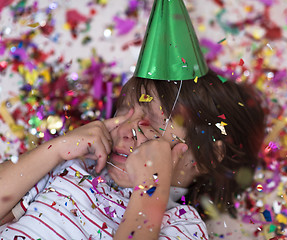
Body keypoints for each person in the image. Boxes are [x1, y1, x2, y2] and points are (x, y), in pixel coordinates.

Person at [0, 0, 267, 239]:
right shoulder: (73, 170)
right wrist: (57, 149)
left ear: (206, 157)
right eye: (124, 112)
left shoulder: (183, 227)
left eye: (151, 124)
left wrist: (151, 186)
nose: (126, 130)